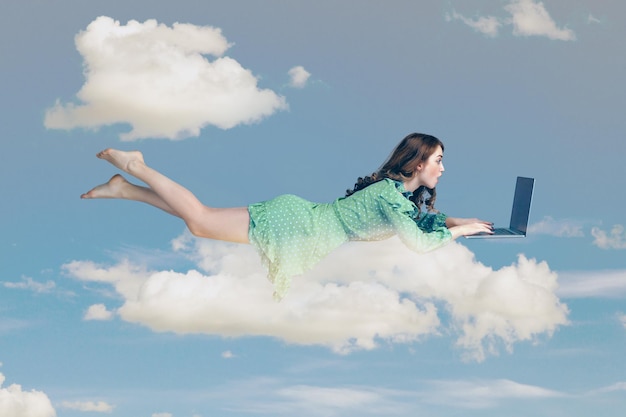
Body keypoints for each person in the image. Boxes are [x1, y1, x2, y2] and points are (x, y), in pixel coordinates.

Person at [82, 133, 493, 300]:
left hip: (305, 222)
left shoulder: (398, 198)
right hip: (300, 226)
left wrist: (459, 222)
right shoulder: (390, 195)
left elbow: (418, 223)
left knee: (200, 224)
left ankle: (125, 189)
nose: (442, 168)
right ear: (419, 162)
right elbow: (419, 243)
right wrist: (460, 233)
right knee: (201, 219)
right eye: (439, 160)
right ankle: (137, 168)